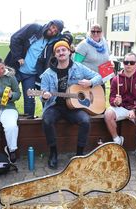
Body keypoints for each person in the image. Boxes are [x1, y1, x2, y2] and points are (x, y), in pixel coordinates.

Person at [40, 40, 103, 169]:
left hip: (74, 107)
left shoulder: (78, 67)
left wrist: (90, 83)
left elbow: (99, 77)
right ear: (55, 55)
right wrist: (45, 97)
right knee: (46, 120)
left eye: (63, 50)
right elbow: (43, 95)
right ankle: (53, 153)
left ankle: (79, 155)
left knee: (85, 120)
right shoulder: (47, 74)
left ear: (69, 52)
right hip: (55, 106)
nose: (61, 53)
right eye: (58, 51)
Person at [4, 20, 64, 119]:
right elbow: (15, 38)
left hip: (31, 75)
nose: (52, 31)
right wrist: (18, 57)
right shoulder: (34, 28)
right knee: (6, 95)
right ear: (49, 24)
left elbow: (66, 39)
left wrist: (69, 44)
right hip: (15, 70)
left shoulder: (52, 41)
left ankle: (29, 122)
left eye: (55, 31)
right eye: (53, 27)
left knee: (29, 99)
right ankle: (3, 118)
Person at [104, 52, 136, 167]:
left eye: (132, 62)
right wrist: (115, 102)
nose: (128, 65)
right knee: (108, 114)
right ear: (123, 63)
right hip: (122, 108)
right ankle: (117, 140)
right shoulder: (116, 79)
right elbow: (111, 98)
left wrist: (135, 110)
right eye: (126, 62)